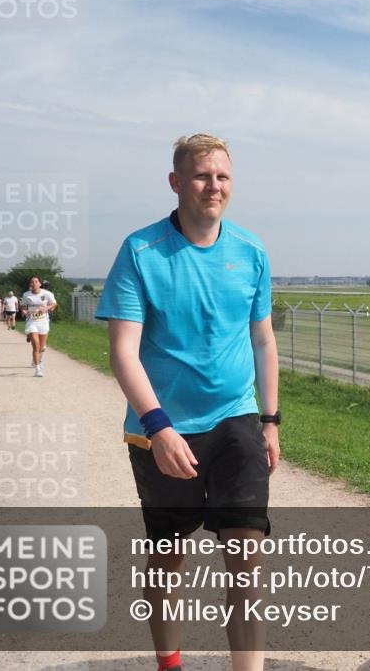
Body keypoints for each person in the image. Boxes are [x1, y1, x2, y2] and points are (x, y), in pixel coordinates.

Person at [96, 133, 280, 671]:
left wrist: (270, 420)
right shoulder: (140, 251)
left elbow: (263, 339)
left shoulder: (252, 250)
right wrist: (158, 427)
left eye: (222, 176)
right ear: (176, 182)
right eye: (202, 176)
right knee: (168, 556)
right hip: (163, 426)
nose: (213, 186)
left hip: (236, 420)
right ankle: (170, 663)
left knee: (246, 557)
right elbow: (123, 350)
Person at [20, 276, 57, 377]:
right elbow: (22, 305)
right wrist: (23, 310)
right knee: (36, 345)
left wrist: (47, 308)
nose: (34, 283)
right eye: (32, 282)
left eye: (36, 282)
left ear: (40, 284)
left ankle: (37, 359)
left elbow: (54, 303)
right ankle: (37, 369)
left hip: (43, 321)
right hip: (31, 322)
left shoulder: (47, 294)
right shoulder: (26, 295)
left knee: (42, 347)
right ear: (30, 284)